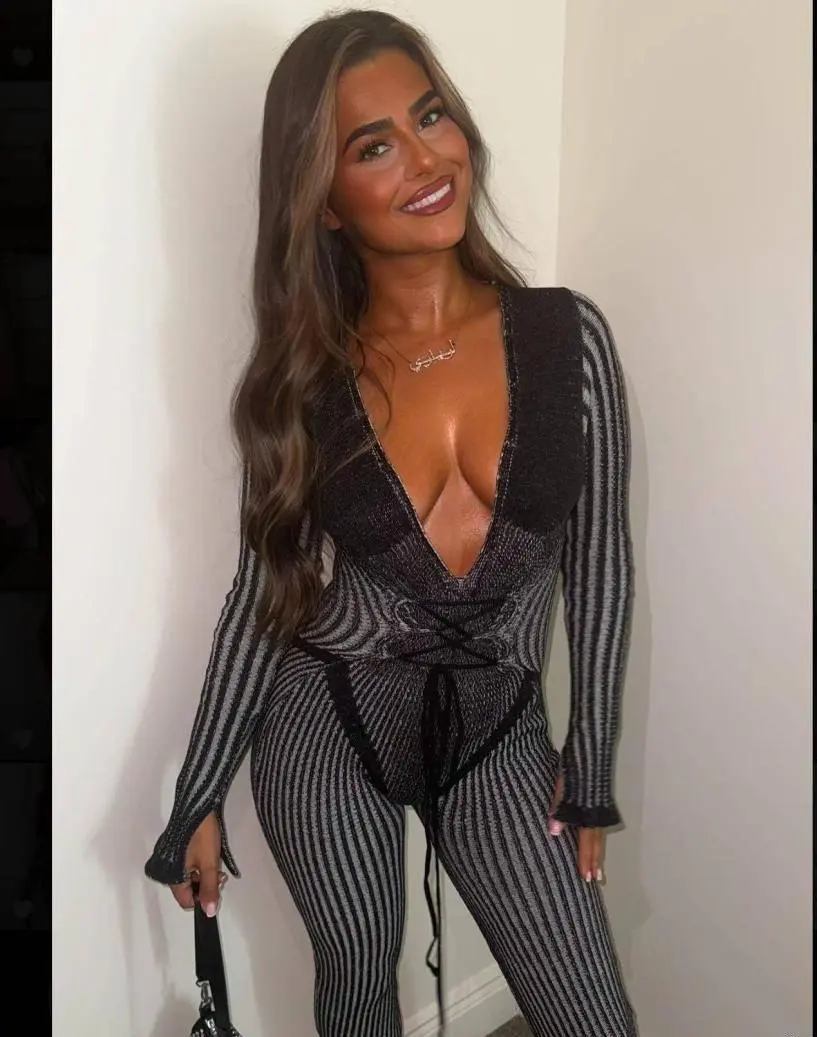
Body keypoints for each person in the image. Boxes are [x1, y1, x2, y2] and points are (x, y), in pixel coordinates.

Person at [145, 10, 638, 1037]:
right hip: (325, 726)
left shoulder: (566, 337)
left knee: (593, 1015)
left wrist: (588, 767)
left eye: (430, 117)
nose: (425, 159)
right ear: (324, 202)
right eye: (374, 147)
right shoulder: (304, 384)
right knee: (359, 992)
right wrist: (199, 789)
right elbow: (263, 593)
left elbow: (601, 565)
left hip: (498, 737)